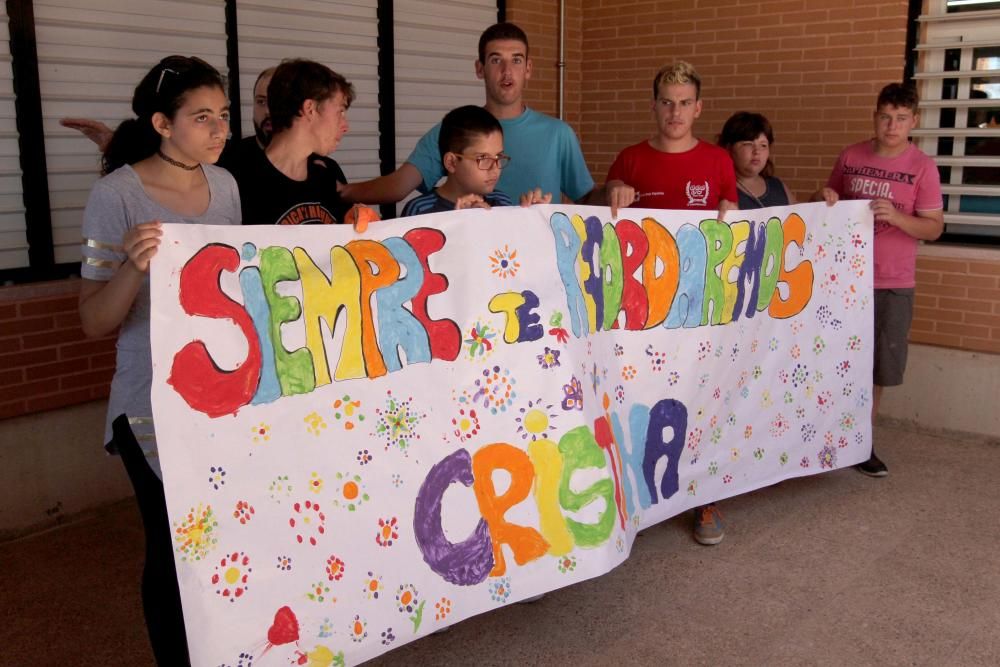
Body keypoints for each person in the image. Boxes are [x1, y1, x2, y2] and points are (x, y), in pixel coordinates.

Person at [78, 55, 241, 666]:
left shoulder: (224, 186)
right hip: (148, 403)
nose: (220, 130)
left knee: (220, 539)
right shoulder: (115, 194)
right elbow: (94, 320)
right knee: (172, 549)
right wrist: (133, 265)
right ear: (162, 123)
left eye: (224, 116)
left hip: (217, 393)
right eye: (203, 118)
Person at [604, 61, 737, 547]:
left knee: (703, 393)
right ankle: (638, 496)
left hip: (700, 305)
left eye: (684, 103)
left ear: (698, 108)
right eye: (666, 101)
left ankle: (705, 495)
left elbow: (734, 226)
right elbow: (608, 226)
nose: (674, 112)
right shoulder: (630, 159)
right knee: (640, 396)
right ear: (654, 105)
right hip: (644, 308)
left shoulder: (720, 162)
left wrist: (733, 215)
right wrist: (612, 194)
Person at [814, 83, 944, 477]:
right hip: (844, 277)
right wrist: (824, 196)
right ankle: (819, 438)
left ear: (914, 121)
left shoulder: (923, 166)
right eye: (885, 116)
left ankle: (861, 442)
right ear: (875, 116)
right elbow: (826, 200)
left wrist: (898, 217)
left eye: (901, 118)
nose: (892, 125)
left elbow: (934, 228)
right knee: (834, 360)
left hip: (891, 281)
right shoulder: (852, 155)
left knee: (876, 369)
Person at [341, 22, 595, 209]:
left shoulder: (558, 134)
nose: (507, 71)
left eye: (516, 60)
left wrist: (614, 190)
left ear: (528, 69)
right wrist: (343, 191)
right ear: (479, 68)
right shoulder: (455, 130)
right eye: (496, 60)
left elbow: (587, 198)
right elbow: (399, 186)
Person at [60, 65, 276, 172]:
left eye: (223, 115)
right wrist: (116, 144)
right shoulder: (229, 156)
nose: (269, 111)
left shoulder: (310, 167)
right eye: (261, 101)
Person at [238, 58, 353, 225]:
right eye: (340, 112)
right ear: (309, 109)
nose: (345, 126)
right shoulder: (239, 182)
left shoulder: (326, 178)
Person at [401, 105, 515, 216]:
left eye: (498, 156)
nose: (495, 168)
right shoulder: (420, 211)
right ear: (451, 162)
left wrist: (530, 214)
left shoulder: (502, 202)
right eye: (483, 158)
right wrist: (459, 221)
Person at [718, 111, 795, 209]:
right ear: (729, 148)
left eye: (763, 145)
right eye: (748, 144)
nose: (757, 151)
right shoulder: (715, 189)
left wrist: (816, 199)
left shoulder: (778, 186)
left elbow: (802, 218)